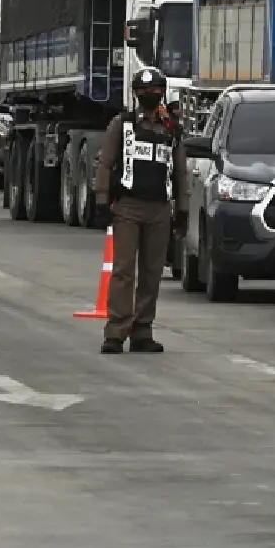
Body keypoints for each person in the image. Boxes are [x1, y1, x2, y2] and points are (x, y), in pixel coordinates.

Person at [90, 66, 189, 354]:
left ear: (163, 92)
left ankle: (142, 329)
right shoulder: (122, 124)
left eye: (155, 90)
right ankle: (116, 331)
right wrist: (101, 199)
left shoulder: (172, 129)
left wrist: (181, 210)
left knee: (152, 271)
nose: (150, 95)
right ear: (135, 94)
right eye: (144, 91)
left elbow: (181, 173)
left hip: (159, 209)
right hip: (128, 208)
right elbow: (105, 163)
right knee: (123, 271)